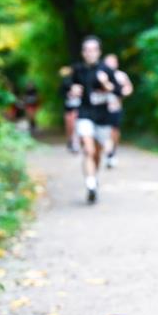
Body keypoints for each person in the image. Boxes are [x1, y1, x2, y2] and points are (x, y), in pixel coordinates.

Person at [69, 36, 121, 204]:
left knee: (97, 153)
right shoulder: (77, 70)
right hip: (84, 114)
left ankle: (93, 178)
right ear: (83, 52)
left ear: (98, 51)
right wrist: (72, 89)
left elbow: (119, 91)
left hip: (103, 117)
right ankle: (90, 184)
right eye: (87, 50)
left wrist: (107, 85)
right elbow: (64, 88)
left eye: (93, 50)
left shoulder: (106, 69)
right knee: (88, 150)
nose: (90, 53)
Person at [103, 53, 134, 168]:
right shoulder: (101, 75)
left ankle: (112, 152)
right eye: (108, 62)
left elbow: (129, 88)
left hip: (115, 108)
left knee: (114, 132)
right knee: (106, 132)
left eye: (113, 62)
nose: (111, 64)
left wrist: (123, 93)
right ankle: (108, 153)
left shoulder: (121, 75)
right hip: (103, 110)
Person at [60, 65, 79, 153]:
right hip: (68, 106)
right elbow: (61, 92)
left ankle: (75, 142)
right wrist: (68, 94)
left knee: (75, 124)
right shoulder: (66, 81)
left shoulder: (81, 80)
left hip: (78, 106)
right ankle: (70, 140)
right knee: (69, 125)